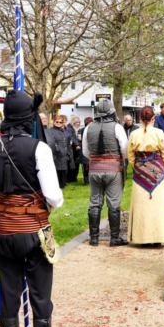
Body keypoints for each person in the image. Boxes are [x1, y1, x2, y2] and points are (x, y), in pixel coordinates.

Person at [0, 90, 63, 327]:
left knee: (9, 296)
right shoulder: (39, 148)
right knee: (41, 297)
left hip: (4, 234)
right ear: (29, 117)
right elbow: (54, 197)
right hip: (34, 233)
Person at [82, 100, 129, 247]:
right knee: (113, 204)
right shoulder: (117, 127)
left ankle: (94, 238)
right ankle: (114, 238)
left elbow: (85, 151)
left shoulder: (88, 128)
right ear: (111, 111)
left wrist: (96, 160)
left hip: (94, 170)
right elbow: (125, 150)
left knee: (94, 204)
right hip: (113, 170)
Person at [127, 106, 164, 246]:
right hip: (157, 170)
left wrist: (139, 168)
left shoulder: (134, 134)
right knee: (158, 206)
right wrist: (160, 168)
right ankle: (158, 237)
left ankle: (142, 238)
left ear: (139, 118)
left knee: (141, 205)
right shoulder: (159, 133)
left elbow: (130, 155)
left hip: (140, 171)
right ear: (153, 118)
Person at [48, 116, 70, 188]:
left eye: (60, 122)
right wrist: (57, 149)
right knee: (56, 169)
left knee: (63, 169)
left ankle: (62, 183)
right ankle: (57, 184)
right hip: (56, 153)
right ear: (54, 122)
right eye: (57, 122)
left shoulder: (63, 131)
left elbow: (67, 140)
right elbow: (51, 141)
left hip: (64, 153)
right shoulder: (51, 131)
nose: (58, 123)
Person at [66, 116, 82, 183]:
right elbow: (71, 137)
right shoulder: (69, 128)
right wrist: (77, 144)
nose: (78, 124)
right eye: (76, 122)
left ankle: (74, 177)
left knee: (76, 163)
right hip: (72, 148)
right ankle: (71, 177)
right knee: (72, 163)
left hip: (75, 148)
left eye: (79, 122)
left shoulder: (77, 129)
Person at [79, 117, 92, 185]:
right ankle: (86, 180)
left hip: (91, 150)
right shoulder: (81, 130)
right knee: (85, 166)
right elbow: (79, 139)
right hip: (85, 150)